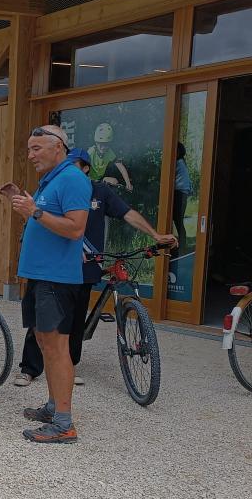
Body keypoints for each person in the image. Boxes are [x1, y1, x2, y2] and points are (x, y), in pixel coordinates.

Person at [13, 148, 177, 387]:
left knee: (75, 320)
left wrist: (155, 235)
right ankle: (30, 368)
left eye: (75, 164)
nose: (69, 169)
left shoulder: (100, 191)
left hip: (87, 265)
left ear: (86, 168)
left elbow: (128, 214)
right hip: (54, 264)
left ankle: (68, 365)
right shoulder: (53, 185)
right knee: (43, 318)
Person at [10, 125, 91, 444]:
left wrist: (35, 211)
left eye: (36, 149)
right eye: (29, 149)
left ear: (58, 148)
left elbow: (75, 229)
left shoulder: (72, 179)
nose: (30, 155)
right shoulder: (54, 180)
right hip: (43, 278)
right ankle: (54, 406)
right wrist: (31, 209)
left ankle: (64, 423)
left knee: (57, 348)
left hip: (57, 281)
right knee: (45, 342)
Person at [87, 122, 133, 192]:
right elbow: (82, 168)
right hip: (88, 180)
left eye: (106, 144)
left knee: (114, 181)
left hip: (99, 180)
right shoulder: (91, 152)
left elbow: (120, 166)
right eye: (100, 144)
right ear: (96, 142)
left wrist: (128, 183)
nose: (103, 147)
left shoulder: (109, 152)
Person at [172, 142, 193, 255]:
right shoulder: (181, 162)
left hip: (179, 192)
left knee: (178, 220)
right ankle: (180, 245)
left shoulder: (178, 163)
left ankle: (182, 247)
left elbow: (170, 175)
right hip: (181, 192)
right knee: (177, 220)